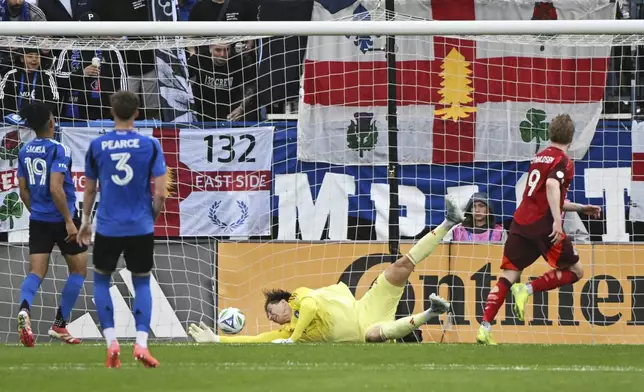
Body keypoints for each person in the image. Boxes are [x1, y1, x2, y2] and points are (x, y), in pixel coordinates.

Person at [187, 195, 465, 344]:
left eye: (272, 311)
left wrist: (294, 340)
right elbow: (257, 339)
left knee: (399, 267)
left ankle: (448, 223)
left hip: (364, 308)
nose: (273, 319)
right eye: (270, 318)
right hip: (366, 328)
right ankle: (432, 312)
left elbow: (308, 307)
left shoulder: (301, 297)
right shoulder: (286, 332)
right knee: (374, 335)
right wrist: (218, 340)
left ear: (285, 302)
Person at [476, 114, 602, 345]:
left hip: (521, 223)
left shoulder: (539, 157)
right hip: (544, 226)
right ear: (571, 138)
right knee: (576, 271)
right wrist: (556, 221)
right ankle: (527, 289)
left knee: (508, 274)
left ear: (550, 133)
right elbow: (553, 186)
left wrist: (581, 208)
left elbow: (547, 196)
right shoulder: (564, 161)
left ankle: (484, 327)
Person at [77, 91, 167, 368]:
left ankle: (111, 342)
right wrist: (151, 217)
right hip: (140, 225)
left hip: (109, 226)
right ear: (137, 113)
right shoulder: (150, 144)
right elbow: (161, 194)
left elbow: (90, 189)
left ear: (112, 112)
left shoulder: (97, 145)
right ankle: (141, 344)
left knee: (102, 280)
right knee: (141, 282)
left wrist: (85, 221)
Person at [15, 102, 88, 347]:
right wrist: (69, 221)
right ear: (52, 122)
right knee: (78, 270)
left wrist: (36, 212)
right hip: (62, 219)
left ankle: (25, 309)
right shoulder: (60, 149)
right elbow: (56, 187)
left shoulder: (24, 150)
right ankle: (59, 324)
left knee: (36, 272)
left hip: (38, 219)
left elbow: (23, 191)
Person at [55, 11, 127, 121]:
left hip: (105, 109)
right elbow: (58, 79)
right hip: (74, 110)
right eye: (87, 28)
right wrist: (82, 73)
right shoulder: (68, 50)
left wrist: (121, 106)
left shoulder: (111, 50)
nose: (91, 32)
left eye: (94, 27)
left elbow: (121, 81)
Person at [188, 43, 258, 121]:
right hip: (201, 114)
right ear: (210, 49)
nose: (223, 54)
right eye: (218, 50)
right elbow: (182, 78)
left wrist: (241, 108)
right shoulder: (198, 59)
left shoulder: (238, 61)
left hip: (229, 115)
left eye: (227, 50)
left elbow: (251, 85)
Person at [0, 48, 61, 118]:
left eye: (37, 57)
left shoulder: (47, 76)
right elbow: (2, 96)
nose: (34, 59)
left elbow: (54, 99)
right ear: (22, 59)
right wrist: (10, 116)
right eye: (30, 56)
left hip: (39, 119)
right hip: (13, 118)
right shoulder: (11, 75)